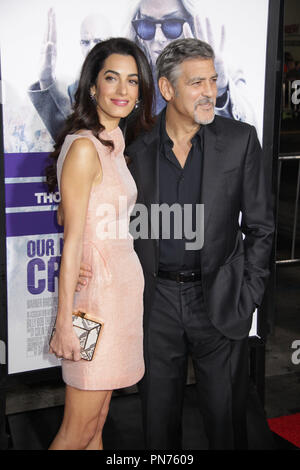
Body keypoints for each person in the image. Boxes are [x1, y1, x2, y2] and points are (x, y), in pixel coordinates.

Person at [78, 38, 274, 449]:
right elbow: (95, 202)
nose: (210, 92)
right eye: (197, 82)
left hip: (221, 299)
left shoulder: (239, 141)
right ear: (167, 90)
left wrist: (249, 295)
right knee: (157, 427)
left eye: (213, 81)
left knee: (226, 425)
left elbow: (260, 227)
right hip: (155, 304)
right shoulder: (132, 145)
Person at [46, 37, 155, 450]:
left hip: (120, 299)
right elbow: (72, 238)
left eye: (132, 81)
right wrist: (64, 322)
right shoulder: (85, 148)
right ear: (93, 86)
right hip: (92, 307)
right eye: (112, 78)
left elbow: (73, 213)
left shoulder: (115, 142)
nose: (123, 91)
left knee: (97, 423)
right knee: (77, 429)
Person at [128, 0, 256, 125]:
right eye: (146, 25)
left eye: (172, 25)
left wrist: (220, 89)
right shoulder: (130, 74)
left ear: (193, 24)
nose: (158, 38)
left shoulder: (224, 74)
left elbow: (250, 132)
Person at [28, 8, 112, 142]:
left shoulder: (130, 87)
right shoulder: (73, 90)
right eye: (85, 42)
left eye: (97, 41)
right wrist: (46, 79)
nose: (91, 48)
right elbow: (67, 137)